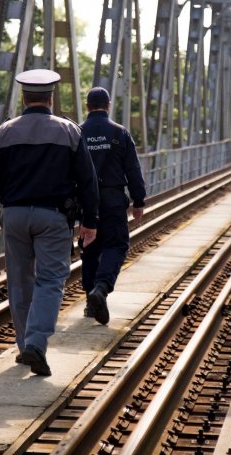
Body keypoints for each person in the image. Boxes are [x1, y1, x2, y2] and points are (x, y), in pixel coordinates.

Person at [0, 69, 99, 376]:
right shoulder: (69, 131)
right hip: (53, 217)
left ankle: (25, 347)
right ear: (51, 96)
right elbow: (88, 179)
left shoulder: (4, 132)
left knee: (19, 284)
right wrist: (90, 220)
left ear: (24, 96)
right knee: (50, 280)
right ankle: (35, 344)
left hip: (15, 216)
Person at [80, 87, 146, 325]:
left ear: (87, 106)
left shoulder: (78, 132)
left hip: (86, 200)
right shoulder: (120, 133)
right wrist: (138, 200)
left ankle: (90, 301)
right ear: (108, 106)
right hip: (113, 198)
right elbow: (133, 170)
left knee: (89, 247)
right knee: (116, 245)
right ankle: (101, 287)